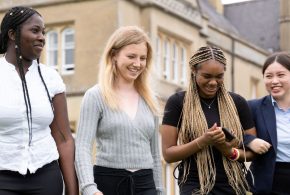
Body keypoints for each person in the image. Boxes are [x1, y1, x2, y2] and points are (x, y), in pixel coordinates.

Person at [75, 26, 164, 195]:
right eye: (131, 56)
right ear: (114, 55)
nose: (137, 64)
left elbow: (154, 154)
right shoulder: (95, 96)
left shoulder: (150, 99)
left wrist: (160, 191)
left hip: (146, 185)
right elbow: (82, 147)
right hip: (107, 184)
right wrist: (89, 188)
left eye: (143, 58)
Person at [0, 6, 78, 195]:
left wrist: (72, 189)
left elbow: (64, 138)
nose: (42, 37)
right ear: (12, 34)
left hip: (45, 176)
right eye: (35, 31)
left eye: (43, 32)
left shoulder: (51, 77)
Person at [161, 46, 257, 195]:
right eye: (206, 76)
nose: (213, 82)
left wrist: (229, 151)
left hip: (232, 183)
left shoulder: (237, 102)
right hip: (194, 183)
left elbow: (252, 151)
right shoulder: (178, 102)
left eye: (219, 76)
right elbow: (168, 154)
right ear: (194, 70)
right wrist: (203, 141)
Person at [246, 52, 290, 194]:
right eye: (269, 76)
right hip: (267, 186)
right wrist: (250, 141)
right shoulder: (253, 107)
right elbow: (230, 132)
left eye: (281, 75)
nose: (274, 81)